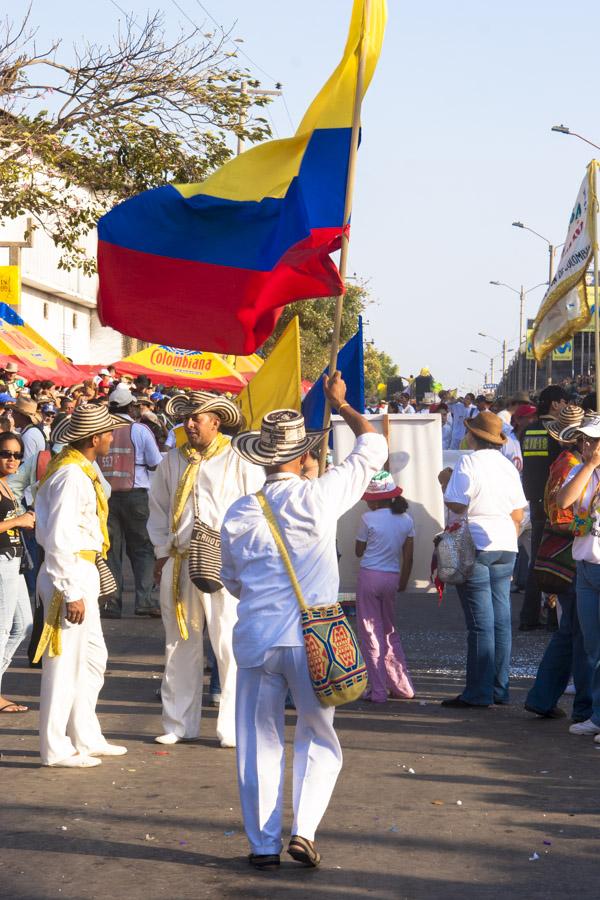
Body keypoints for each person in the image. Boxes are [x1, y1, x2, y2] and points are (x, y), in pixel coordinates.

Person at [221, 372, 388, 869]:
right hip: (315, 639)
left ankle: (262, 845)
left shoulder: (239, 512)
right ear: (301, 458)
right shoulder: (320, 497)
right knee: (317, 735)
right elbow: (373, 447)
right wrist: (343, 406)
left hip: (256, 638)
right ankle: (305, 829)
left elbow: (232, 581)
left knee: (258, 745)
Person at [148, 391, 264, 748]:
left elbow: (256, 509)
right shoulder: (172, 461)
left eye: (197, 417)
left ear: (216, 422)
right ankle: (178, 723)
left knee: (228, 642)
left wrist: (245, 557)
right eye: (187, 417)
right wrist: (162, 552)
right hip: (181, 560)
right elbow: (158, 507)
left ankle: (231, 725)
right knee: (179, 642)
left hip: (225, 563)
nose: (190, 423)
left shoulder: (239, 459)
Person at [34, 404, 129, 767]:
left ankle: (85, 736)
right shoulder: (71, 476)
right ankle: (55, 748)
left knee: (91, 660)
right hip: (68, 572)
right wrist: (71, 590)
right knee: (63, 665)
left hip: (81, 570)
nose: (111, 439)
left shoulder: (81, 469)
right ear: (93, 438)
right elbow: (58, 537)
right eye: (107, 434)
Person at [440, 411, 527, 707]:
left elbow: (457, 503)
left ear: (473, 436)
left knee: (480, 623)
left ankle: (478, 692)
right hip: (505, 543)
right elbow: (518, 513)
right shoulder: (507, 467)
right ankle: (498, 688)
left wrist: (445, 482)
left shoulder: (468, 462)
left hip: (475, 543)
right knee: (501, 621)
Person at [524, 406, 592, 722]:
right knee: (579, 637)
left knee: (571, 634)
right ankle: (582, 707)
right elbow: (563, 513)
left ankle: (543, 697)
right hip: (573, 554)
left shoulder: (565, 463)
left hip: (569, 553)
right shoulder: (574, 467)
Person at [99, 384, 163, 618]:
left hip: (106, 498)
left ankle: (112, 603)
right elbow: (155, 462)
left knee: (111, 551)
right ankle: (144, 601)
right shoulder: (139, 430)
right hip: (136, 497)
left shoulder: (102, 430)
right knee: (142, 550)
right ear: (132, 407)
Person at [556, 414, 600, 740]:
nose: (587, 445)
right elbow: (564, 501)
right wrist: (588, 466)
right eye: (584, 440)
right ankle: (597, 715)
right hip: (585, 567)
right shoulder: (580, 470)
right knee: (592, 648)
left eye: (593, 440)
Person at [354, 470, 414, 703]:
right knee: (389, 632)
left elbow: (358, 552)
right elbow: (408, 557)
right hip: (392, 577)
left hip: (369, 576)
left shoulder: (367, 519)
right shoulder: (406, 520)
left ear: (376, 499)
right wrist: (403, 582)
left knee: (370, 634)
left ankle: (378, 690)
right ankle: (402, 686)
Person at [519, 386, 568, 630]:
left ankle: (529, 616)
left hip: (533, 499)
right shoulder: (557, 431)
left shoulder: (528, 430)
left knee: (536, 562)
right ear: (556, 404)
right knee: (552, 560)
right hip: (551, 503)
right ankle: (550, 618)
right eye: (565, 403)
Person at [0, 432, 34, 714]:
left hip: (15, 562)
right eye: (6, 453)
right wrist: (19, 520)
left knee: (23, 625)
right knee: (2, 631)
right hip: (1, 564)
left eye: (17, 455)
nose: (12, 459)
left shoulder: (6, 485)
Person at [12, 396, 47, 460]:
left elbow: (25, 463)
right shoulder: (30, 431)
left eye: (14, 411)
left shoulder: (28, 436)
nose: (12, 414)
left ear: (21, 415)